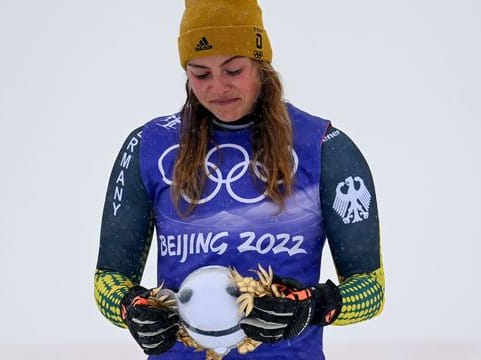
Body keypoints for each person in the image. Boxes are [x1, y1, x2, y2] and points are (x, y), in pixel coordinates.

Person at [94, 0, 385, 359]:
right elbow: (108, 278)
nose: (218, 88)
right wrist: (132, 308)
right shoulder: (149, 146)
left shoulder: (323, 147)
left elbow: (370, 290)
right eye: (200, 74)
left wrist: (313, 306)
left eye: (233, 70)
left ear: (261, 64)